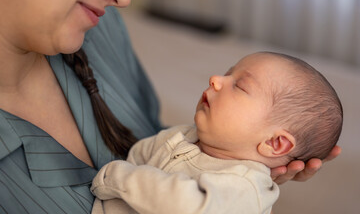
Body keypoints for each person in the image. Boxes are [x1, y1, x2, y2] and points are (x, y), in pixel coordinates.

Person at [0, 0, 340, 213]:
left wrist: (238, 158)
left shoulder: (100, 28)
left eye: (241, 84)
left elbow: (153, 144)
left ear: (278, 144)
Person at [90, 52, 343, 214]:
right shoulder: (182, 136)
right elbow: (138, 156)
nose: (215, 80)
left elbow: (184, 207)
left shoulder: (244, 187)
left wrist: (116, 178)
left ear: (275, 143)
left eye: (240, 86)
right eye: (227, 73)